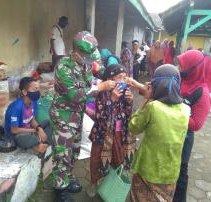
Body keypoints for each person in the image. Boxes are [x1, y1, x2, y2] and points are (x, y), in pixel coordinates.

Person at [49, 31, 115, 201]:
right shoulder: (63, 66)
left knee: (74, 150)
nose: (90, 59)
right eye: (87, 55)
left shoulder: (85, 64)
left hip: (77, 114)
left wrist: (98, 83)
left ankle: (67, 176)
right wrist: (99, 88)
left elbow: (88, 83)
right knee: (63, 152)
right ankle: (59, 190)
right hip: (63, 116)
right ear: (77, 51)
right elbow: (76, 96)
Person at [126, 64, 189, 202]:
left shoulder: (153, 107)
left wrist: (146, 99)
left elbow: (133, 127)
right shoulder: (185, 109)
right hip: (171, 172)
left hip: (149, 169)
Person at [87, 64, 136, 197]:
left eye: (124, 78)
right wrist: (112, 100)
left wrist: (130, 101)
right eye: (119, 77)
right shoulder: (102, 93)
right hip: (102, 134)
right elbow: (100, 117)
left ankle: (112, 183)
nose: (122, 81)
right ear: (110, 79)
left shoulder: (125, 92)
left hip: (119, 132)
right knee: (97, 159)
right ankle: (95, 183)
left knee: (117, 157)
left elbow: (129, 114)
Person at [173, 50, 211, 202]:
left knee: (180, 170)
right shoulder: (182, 80)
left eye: (182, 65)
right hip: (170, 131)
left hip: (184, 137)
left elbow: (196, 124)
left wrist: (173, 113)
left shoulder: (202, 93)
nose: (179, 68)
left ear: (193, 68)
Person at [4, 77, 53, 154]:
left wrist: (39, 129)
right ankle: (38, 145)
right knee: (26, 139)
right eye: (34, 89)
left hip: (29, 129)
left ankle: (41, 144)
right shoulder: (16, 107)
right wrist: (34, 130)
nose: (37, 92)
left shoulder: (33, 102)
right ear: (24, 92)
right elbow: (14, 130)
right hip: (17, 134)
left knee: (50, 123)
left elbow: (32, 119)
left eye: (37, 89)